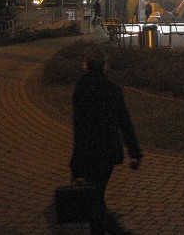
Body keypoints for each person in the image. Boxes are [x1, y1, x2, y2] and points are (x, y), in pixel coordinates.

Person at [70, 49, 142, 235]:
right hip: (108, 150)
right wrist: (134, 153)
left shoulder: (81, 88)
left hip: (87, 149)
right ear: (105, 66)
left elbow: (79, 126)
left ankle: (103, 228)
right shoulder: (113, 89)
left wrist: (76, 165)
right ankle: (106, 228)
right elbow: (124, 122)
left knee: (95, 194)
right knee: (97, 192)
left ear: (86, 66)